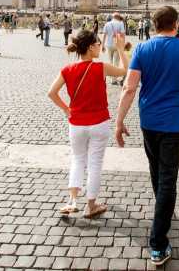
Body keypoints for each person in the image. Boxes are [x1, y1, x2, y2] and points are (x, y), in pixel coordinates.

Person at [114, 6, 179, 266]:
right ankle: (157, 243)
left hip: (149, 123)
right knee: (168, 179)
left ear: (153, 25)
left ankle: (162, 211)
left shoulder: (142, 49)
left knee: (156, 171)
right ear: (175, 24)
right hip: (175, 125)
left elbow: (129, 88)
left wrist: (119, 122)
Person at [47, 29, 128, 218]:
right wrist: (121, 49)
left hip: (76, 123)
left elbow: (51, 93)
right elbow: (125, 70)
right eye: (99, 44)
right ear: (91, 47)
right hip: (99, 123)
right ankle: (91, 205)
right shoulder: (100, 67)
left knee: (77, 159)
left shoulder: (67, 70)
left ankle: (72, 201)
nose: (100, 47)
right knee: (94, 164)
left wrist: (66, 109)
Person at [103, 13, 126, 85]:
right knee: (116, 62)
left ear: (113, 17)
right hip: (117, 45)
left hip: (108, 44)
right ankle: (114, 79)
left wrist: (102, 45)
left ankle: (111, 77)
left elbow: (104, 34)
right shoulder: (121, 23)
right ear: (118, 17)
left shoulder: (107, 24)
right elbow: (123, 35)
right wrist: (123, 44)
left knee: (110, 61)